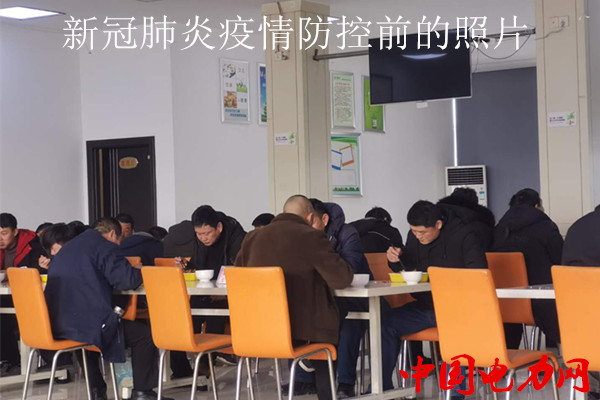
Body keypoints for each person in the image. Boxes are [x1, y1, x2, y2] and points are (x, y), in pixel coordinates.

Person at [235, 195, 353, 400]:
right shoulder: (311, 236)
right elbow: (342, 279)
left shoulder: (252, 238)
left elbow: (238, 277)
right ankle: (325, 391)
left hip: (258, 331)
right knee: (331, 323)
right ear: (310, 217)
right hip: (302, 332)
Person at [44, 218, 172, 400]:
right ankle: (143, 392)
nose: (119, 246)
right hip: (88, 327)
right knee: (145, 335)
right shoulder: (104, 246)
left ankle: (97, 391)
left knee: (84, 338)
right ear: (113, 234)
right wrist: (139, 270)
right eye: (119, 241)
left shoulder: (69, 248)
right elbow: (126, 281)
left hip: (59, 326)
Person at [383, 200, 487, 396]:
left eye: (422, 232)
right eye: (413, 231)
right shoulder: (415, 237)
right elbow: (410, 266)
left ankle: (453, 393)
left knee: (454, 324)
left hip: (460, 307)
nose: (417, 236)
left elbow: (479, 274)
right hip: (426, 305)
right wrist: (396, 259)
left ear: (438, 224)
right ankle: (382, 388)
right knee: (386, 322)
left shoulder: (465, 234)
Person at [305, 199, 371, 398]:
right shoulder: (303, 236)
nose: (306, 228)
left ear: (324, 219)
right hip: (325, 299)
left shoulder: (347, 233)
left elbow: (349, 269)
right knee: (305, 314)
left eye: (311, 222)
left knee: (348, 323)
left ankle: (345, 382)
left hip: (357, 297)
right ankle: (303, 379)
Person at [491, 188, 562, 349]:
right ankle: (560, 354)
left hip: (505, 306)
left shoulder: (497, 230)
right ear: (537, 206)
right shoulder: (546, 227)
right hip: (542, 305)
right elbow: (560, 262)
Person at [0, 213, 45, 374]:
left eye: (4, 233)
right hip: (6, 297)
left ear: (15, 231)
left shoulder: (33, 244)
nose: (0, 238)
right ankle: (9, 360)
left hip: (32, 299)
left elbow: (39, 270)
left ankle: (11, 361)